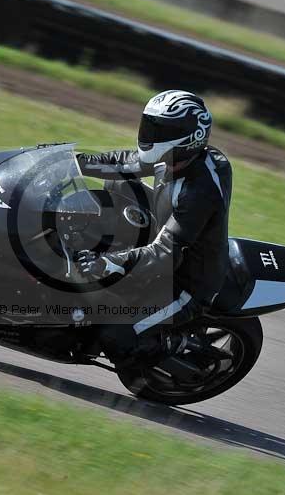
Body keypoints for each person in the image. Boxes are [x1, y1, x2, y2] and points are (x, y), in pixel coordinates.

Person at [75, 90, 232, 368]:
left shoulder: (199, 190)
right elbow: (124, 163)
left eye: (161, 129)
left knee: (116, 337)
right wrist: (74, 162)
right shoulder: (178, 157)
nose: (151, 134)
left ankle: (168, 350)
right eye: (150, 125)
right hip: (165, 233)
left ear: (189, 137)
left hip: (185, 284)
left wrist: (108, 263)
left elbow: (165, 253)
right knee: (117, 186)